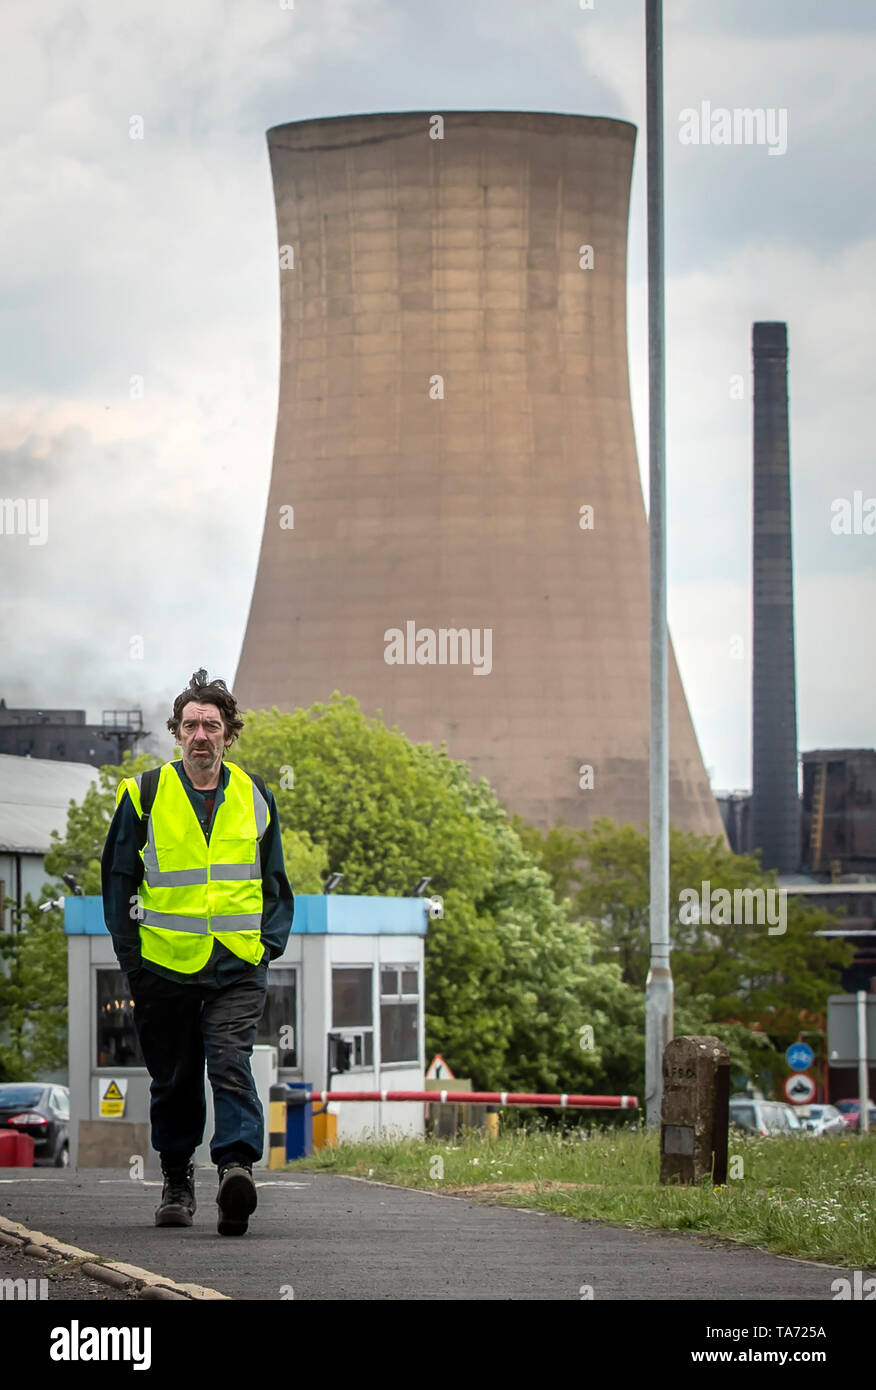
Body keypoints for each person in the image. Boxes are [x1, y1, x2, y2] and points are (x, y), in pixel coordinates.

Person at [100, 669, 293, 1235]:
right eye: (190, 725)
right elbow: (118, 880)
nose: (200, 734)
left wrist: (267, 945)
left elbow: (274, 880)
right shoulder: (145, 793)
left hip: (236, 963)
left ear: (229, 734)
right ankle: (177, 1178)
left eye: (211, 724)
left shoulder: (255, 795)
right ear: (177, 734)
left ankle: (236, 1170)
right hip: (163, 966)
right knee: (175, 1077)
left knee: (231, 1064)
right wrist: (132, 959)